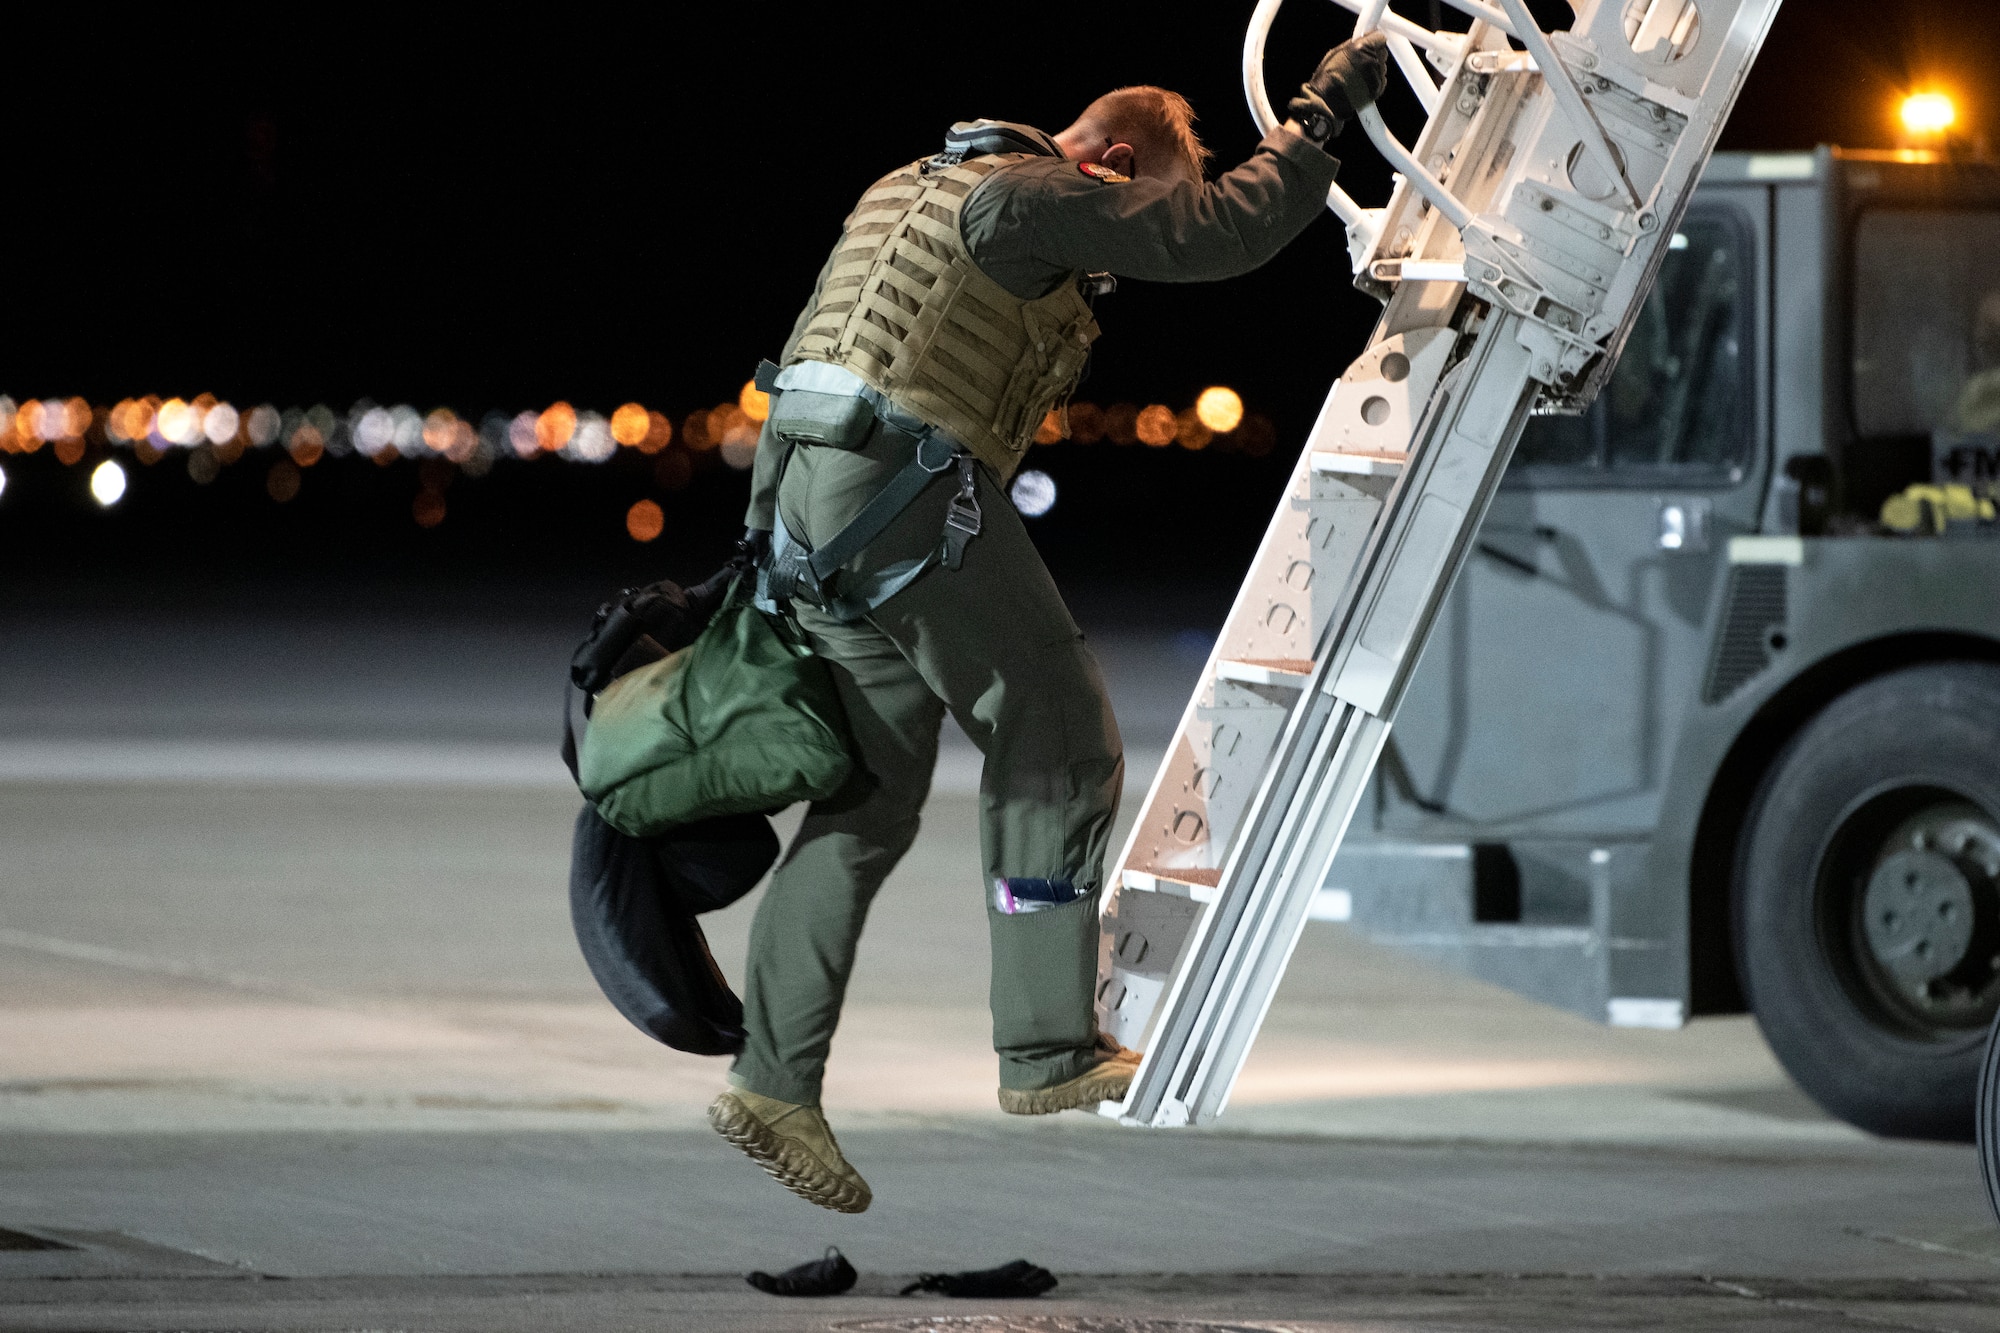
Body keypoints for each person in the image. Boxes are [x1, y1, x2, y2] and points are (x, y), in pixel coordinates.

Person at [706, 34, 1390, 1214]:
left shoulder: (911, 182)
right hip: (898, 494)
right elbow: (1218, 232)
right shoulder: (1025, 197)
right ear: (1113, 161)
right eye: (1127, 200)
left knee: (868, 801)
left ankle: (772, 1082)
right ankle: (1041, 1047)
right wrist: (1319, 114)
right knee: (1061, 735)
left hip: (800, 505)